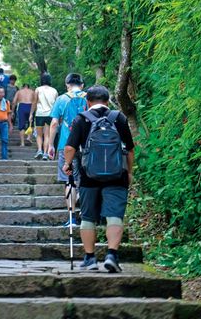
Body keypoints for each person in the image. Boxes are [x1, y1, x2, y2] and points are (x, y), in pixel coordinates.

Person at [62, 85, 135, 273]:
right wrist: (129, 172)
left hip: (89, 176)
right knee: (114, 215)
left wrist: (67, 165)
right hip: (116, 175)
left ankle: (90, 258)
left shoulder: (82, 119)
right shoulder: (118, 118)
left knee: (88, 217)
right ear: (108, 100)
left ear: (88, 102)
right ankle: (111, 255)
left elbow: (70, 148)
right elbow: (130, 148)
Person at [47, 73, 87, 226]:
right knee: (85, 179)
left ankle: (71, 218)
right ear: (82, 85)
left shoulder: (62, 99)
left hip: (66, 146)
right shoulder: (89, 97)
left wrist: (51, 145)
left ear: (67, 84)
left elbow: (54, 123)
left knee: (70, 180)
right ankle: (86, 214)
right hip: (86, 146)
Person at [29, 73, 58, 160]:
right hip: (50, 115)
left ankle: (39, 150)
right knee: (47, 135)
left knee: (39, 134)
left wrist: (31, 113)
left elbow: (34, 102)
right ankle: (45, 153)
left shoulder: (38, 89)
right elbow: (56, 104)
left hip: (40, 114)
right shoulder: (54, 91)